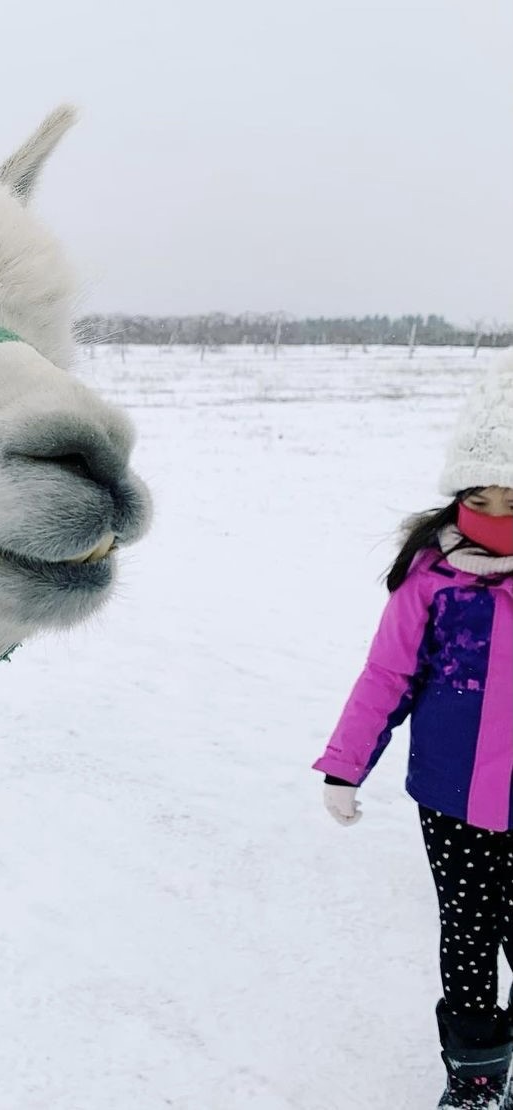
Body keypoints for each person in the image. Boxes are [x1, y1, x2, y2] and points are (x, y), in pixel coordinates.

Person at [314, 357, 513, 1109]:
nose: (492, 513)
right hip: (452, 798)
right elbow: (385, 678)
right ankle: (475, 1073)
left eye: (511, 499)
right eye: (478, 497)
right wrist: (344, 767)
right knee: (467, 941)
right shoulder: (429, 579)